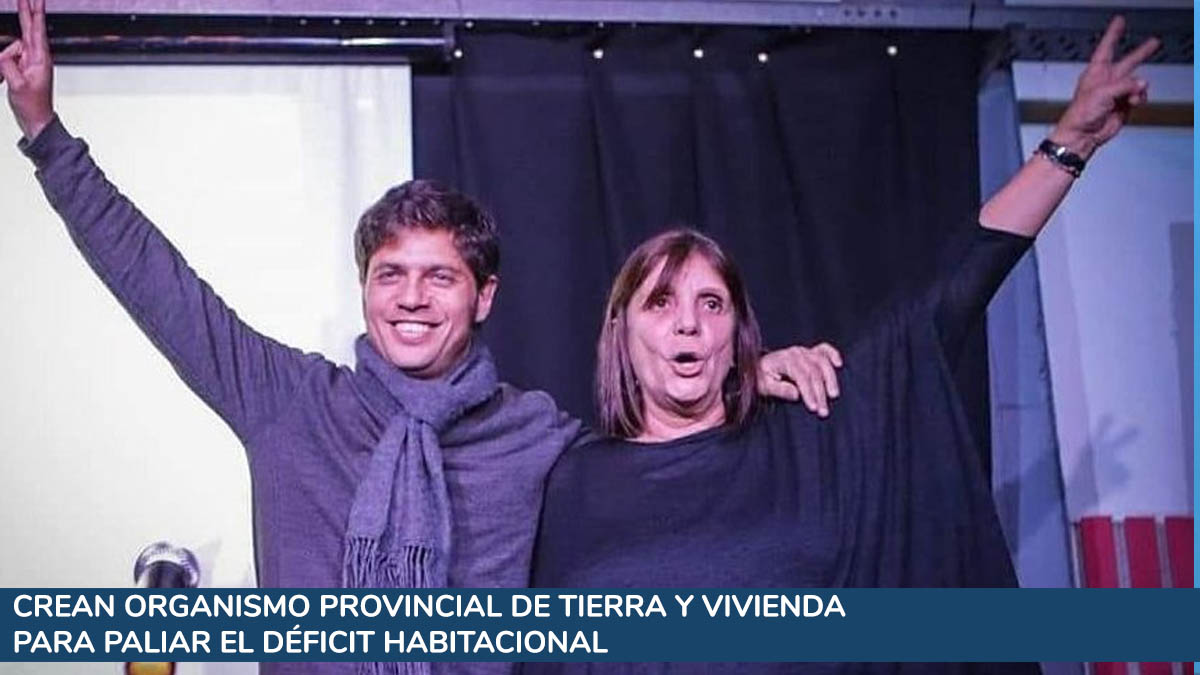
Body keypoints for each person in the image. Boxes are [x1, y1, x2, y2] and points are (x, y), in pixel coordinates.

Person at [0, 0, 837, 633]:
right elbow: (158, 284)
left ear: (484, 296)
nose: (410, 296)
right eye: (390, 274)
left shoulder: (537, 437)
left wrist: (748, 375)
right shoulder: (291, 405)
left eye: (440, 276)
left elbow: (660, 444)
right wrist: (45, 133)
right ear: (363, 286)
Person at [527, 15, 1158, 674]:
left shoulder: (812, 432)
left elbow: (947, 298)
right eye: (660, 302)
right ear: (621, 332)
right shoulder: (574, 479)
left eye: (711, 303)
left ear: (736, 331)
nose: (688, 322)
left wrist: (1067, 147)